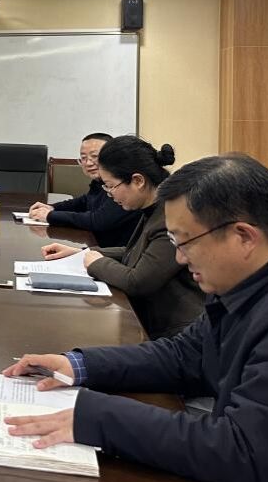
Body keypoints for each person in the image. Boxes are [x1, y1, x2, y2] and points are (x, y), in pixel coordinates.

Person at [2, 154, 268, 482]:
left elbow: (244, 454)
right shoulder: (258, 277)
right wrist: (79, 365)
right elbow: (185, 354)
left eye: (184, 241)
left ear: (243, 236)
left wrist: (97, 417)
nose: (178, 257)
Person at [39, 135, 202, 339]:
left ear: (138, 181)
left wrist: (96, 263)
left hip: (175, 332)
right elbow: (136, 251)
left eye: (111, 186)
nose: (109, 194)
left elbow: (137, 282)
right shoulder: (153, 208)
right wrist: (82, 253)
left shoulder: (170, 218)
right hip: (152, 323)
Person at [27, 132, 141, 247]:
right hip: (99, 248)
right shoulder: (99, 182)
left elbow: (99, 220)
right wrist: (53, 207)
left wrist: (50, 216)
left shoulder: (124, 185)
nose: (88, 163)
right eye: (83, 158)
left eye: (95, 156)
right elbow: (85, 201)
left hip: (117, 252)